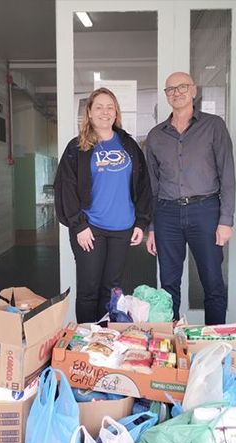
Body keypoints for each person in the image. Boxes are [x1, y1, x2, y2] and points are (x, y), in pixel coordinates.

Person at [54, 87, 153, 323]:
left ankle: (105, 341)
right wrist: (78, 226)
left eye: (110, 107)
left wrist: (141, 222)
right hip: (91, 228)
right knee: (89, 289)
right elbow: (65, 187)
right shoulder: (77, 148)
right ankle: (86, 343)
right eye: (98, 107)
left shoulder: (128, 145)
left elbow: (143, 186)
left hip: (122, 229)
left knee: (111, 290)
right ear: (89, 113)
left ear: (116, 113)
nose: (104, 112)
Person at [145, 72, 235, 325]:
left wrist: (225, 220)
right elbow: (152, 185)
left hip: (205, 211)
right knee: (168, 286)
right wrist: (151, 227)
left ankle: (213, 347)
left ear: (193, 90)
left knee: (212, 282)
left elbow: (227, 174)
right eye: (170, 89)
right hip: (167, 214)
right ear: (166, 96)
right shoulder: (156, 136)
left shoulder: (213, 126)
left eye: (182, 87)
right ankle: (172, 349)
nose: (177, 92)